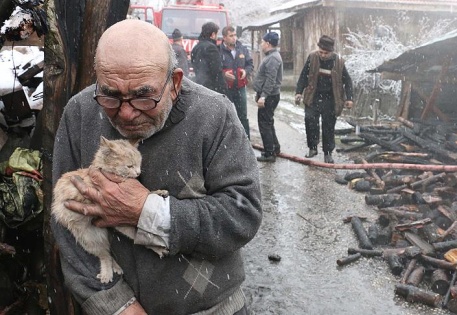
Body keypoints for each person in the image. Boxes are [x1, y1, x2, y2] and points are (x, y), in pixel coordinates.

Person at [51, 19, 262, 315]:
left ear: (174, 83)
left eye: (143, 96)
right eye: (110, 95)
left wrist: (146, 212)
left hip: (211, 308)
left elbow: (243, 214)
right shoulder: (81, 112)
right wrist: (114, 304)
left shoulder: (214, 114)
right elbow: (65, 222)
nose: (125, 113)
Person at [295, 35, 354, 164]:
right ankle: (312, 148)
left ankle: (328, 153)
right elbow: (303, 76)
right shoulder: (312, 58)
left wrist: (349, 98)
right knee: (310, 120)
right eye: (321, 52)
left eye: (326, 53)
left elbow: (348, 81)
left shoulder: (339, 62)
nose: (322, 55)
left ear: (331, 51)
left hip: (331, 99)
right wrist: (299, 92)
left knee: (328, 126)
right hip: (313, 97)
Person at [252, 32, 283, 162]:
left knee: (264, 124)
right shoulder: (272, 56)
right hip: (269, 95)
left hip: (269, 96)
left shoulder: (273, 58)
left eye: (263, 42)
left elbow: (271, 79)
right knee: (268, 122)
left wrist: (263, 96)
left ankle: (269, 153)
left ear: (268, 43)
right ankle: (274, 147)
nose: (261, 44)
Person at [219, 25, 253, 139]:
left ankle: (246, 140)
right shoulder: (219, 50)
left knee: (243, 115)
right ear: (224, 37)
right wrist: (224, 74)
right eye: (231, 36)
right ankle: (227, 141)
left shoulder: (242, 49)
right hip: (225, 88)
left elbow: (250, 64)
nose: (234, 38)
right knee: (225, 115)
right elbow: (215, 69)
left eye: (235, 35)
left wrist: (246, 71)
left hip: (240, 87)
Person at [191, 21, 226, 93]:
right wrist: (223, 89)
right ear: (213, 34)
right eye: (217, 34)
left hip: (199, 86)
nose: (217, 37)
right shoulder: (211, 48)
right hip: (211, 89)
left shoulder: (196, 47)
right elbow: (216, 71)